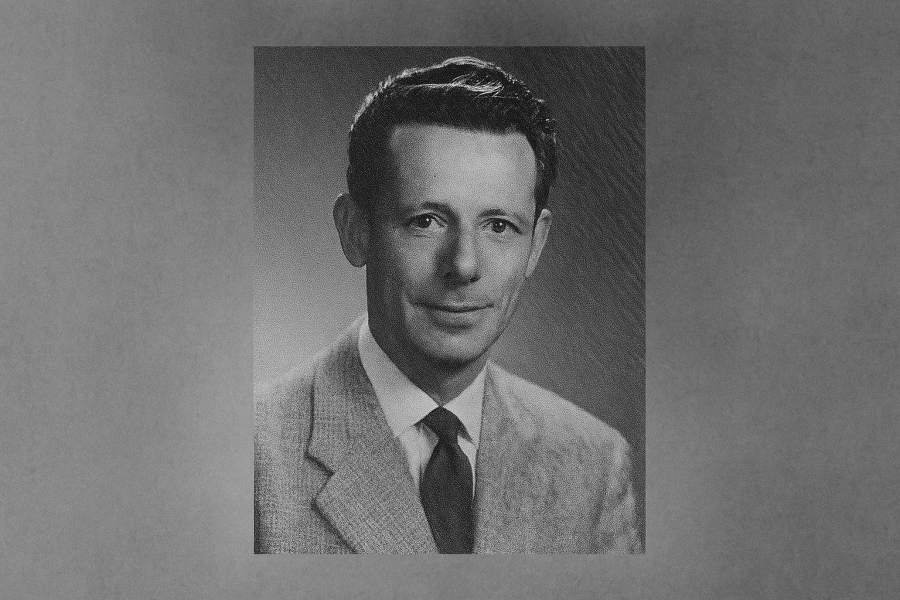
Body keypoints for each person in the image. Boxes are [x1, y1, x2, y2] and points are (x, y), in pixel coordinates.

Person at [254, 56, 642, 554]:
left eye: (499, 226)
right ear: (356, 230)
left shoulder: (594, 465)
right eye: (427, 221)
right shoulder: (250, 454)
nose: (463, 265)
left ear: (536, 246)